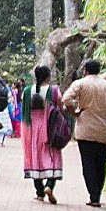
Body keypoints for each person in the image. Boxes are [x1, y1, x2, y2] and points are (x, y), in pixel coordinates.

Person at [66, 58, 106, 208]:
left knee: (88, 164)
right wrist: (104, 111)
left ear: (85, 70)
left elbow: (66, 99)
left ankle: (94, 195)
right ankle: (98, 193)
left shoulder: (80, 84)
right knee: (101, 163)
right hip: (104, 130)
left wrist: (75, 112)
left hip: (85, 130)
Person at [22, 65, 65, 203]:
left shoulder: (27, 91)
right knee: (52, 157)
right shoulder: (54, 90)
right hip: (49, 128)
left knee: (35, 157)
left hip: (32, 129)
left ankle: (39, 192)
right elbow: (60, 107)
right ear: (48, 76)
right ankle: (50, 185)